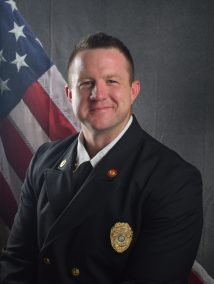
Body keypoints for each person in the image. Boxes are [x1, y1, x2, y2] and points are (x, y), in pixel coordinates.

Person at [0, 32, 203, 284]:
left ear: (133, 91)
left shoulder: (174, 180)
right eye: (86, 83)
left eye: (112, 81)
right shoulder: (44, 159)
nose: (98, 94)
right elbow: (18, 262)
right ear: (69, 94)